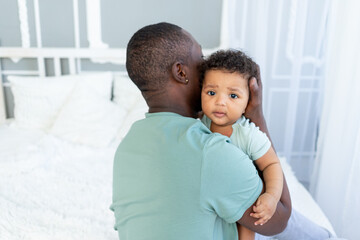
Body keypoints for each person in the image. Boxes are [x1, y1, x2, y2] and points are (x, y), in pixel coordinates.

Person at [110, 22, 291, 240]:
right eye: (201, 58)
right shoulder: (209, 151)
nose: (207, 67)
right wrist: (256, 115)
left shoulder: (127, 145)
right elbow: (279, 219)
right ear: (180, 72)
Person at [200, 49, 283, 240]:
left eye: (233, 96)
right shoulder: (199, 125)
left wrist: (271, 196)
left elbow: (272, 164)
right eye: (211, 92)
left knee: (247, 222)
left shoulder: (249, 135)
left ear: (247, 103)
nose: (220, 102)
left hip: (243, 198)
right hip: (215, 195)